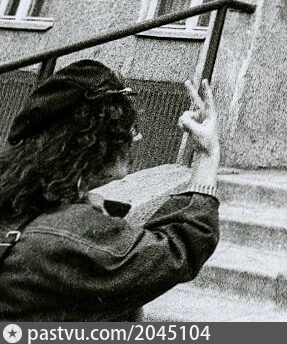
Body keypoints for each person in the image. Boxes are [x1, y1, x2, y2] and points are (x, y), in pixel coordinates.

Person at [0, 60, 221, 321]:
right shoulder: (70, 233)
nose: (136, 137)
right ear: (92, 140)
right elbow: (181, 246)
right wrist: (207, 153)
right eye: (127, 127)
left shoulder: (21, 205)